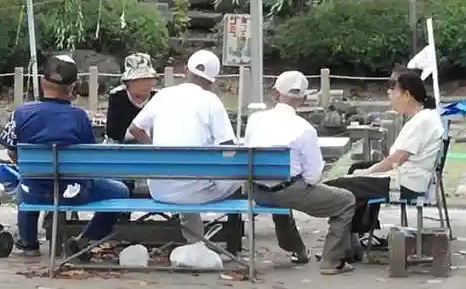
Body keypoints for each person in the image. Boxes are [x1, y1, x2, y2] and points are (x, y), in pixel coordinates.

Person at [0, 54, 128, 256]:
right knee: (120, 191)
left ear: (42, 82)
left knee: (26, 184)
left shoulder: (21, 113)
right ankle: (87, 239)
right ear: (72, 87)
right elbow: (88, 156)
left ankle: (28, 243)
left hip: (34, 190)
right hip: (74, 192)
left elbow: (11, 151)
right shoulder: (79, 117)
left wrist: (30, 168)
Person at [244, 71, 356, 275]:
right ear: (304, 99)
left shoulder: (255, 120)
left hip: (258, 191)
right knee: (346, 200)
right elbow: (313, 176)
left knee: (279, 196)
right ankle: (332, 260)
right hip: (287, 191)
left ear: (275, 93)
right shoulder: (305, 129)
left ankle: (298, 250)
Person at [128, 49, 239, 244]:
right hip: (194, 190)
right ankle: (232, 236)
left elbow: (135, 129)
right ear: (212, 81)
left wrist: (156, 151)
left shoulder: (163, 95)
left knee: (190, 181)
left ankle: (195, 242)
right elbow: (229, 148)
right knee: (238, 176)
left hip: (160, 189)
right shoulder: (211, 101)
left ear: (187, 71)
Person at [327, 68, 443, 248]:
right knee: (355, 170)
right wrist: (366, 171)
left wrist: (368, 172)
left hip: (406, 182)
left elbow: (396, 159)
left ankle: (343, 243)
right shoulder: (425, 116)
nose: (391, 97)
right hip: (408, 175)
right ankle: (359, 234)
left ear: (407, 95)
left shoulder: (421, 122)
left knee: (342, 185)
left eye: (394, 92)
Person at [105, 53, 158, 197]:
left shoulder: (158, 97)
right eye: (140, 80)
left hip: (152, 148)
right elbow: (113, 132)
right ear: (128, 82)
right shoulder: (117, 97)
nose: (146, 84)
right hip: (123, 147)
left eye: (148, 79)